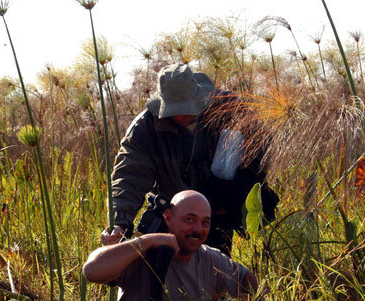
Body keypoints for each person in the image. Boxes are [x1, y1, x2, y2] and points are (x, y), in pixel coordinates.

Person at [101, 63, 279, 254]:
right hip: (174, 209)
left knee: (215, 267)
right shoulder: (145, 129)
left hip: (221, 209)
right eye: (174, 109)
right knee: (162, 260)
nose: (181, 115)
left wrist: (232, 195)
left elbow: (262, 150)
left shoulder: (229, 110)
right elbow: (129, 177)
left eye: (187, 107)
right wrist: (119, 222)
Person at [84, 190, 257, 301]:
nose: (198, 230)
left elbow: (249, 284)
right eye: (189, 220)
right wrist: (149, 240)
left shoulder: (210, 259)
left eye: (205, 222)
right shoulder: (142, 252)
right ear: (168, 217)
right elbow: (92, 270)